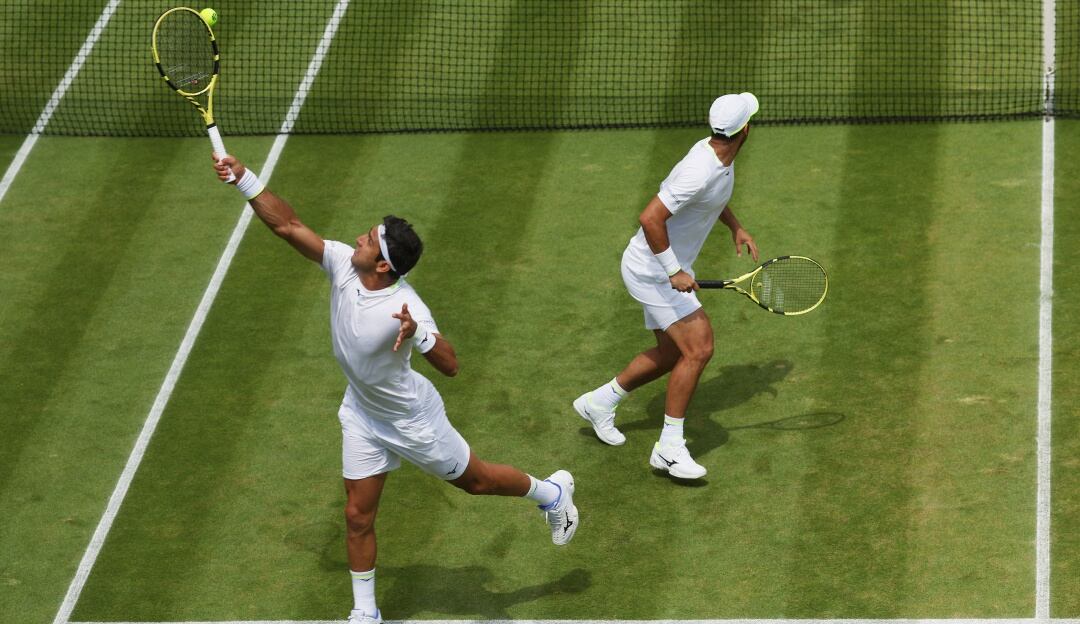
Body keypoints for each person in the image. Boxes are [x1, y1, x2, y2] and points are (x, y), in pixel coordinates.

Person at [212, 155, 579, 624]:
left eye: (367, 240)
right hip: (363, 413)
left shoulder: (406, 305)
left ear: (383, 265)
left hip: (411, 419)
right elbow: (287, 225)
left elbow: (451, 365)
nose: (358, 240)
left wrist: (420, 335)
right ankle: (366, 613)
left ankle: (550, 494)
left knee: (477, 482)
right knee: (357, 516)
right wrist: (244, 179)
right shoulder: (345, 264)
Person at [573, 93, 761, 480]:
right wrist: (674, 270)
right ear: (745, 129)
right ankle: (669, 449)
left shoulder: (717, 159)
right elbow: (650, 218)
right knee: (699, 347)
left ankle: (599, 402)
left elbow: (710, 199)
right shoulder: (700, 167)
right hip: (651, 270)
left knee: (670, 352)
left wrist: (735, 226)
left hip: (660, 267)